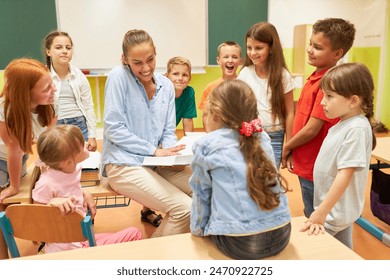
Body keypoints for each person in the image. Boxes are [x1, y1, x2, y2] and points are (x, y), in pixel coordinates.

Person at [102, 29, 192, 237]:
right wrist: (153, 150)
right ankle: (152, 260)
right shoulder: (118, 77)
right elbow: (114, 129)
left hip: (155, 162)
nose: (146, 68)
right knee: (184, 209)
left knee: (205, 189)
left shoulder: (166, 86)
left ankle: (170, 250)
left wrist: (172, 153)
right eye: (137, 63)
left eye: (150, 59)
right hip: (123, 163)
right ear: (124, 60)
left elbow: (168, 130)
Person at [190, 79, 291, 260]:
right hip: (282, 233)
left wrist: (198, 231)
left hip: (241, 243)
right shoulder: (263, 137)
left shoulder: (206, 145)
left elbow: (201, 194)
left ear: (214, 114)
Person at [282, 18, 356, 218]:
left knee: (315, 215)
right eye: (310, 44)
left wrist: (287, 147)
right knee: (311, 210)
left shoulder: (329, 83)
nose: (309, 50)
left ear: (337, 54)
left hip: (315, 167)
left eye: (317, 47)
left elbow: (312, 129)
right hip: (306, 161)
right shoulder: (315, 76)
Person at [31, 125, 141, 253]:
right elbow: (36, 224)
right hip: (70, 249)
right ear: (68, 162)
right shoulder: (46, 183)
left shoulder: (71, 169)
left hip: (81, 238)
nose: (86, 144)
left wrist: (83, 192)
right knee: (135, 234)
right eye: (81, 145)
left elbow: (66, 188)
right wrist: (50, 204)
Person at [300, 63, 376, 249]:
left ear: (353, 101)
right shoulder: (344, 124)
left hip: (333, 212)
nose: (322, 102)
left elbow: (345, 174)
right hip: (335, 210)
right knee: (342, 253)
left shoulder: (356, 128)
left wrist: (321, 212)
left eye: (329, 96)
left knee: (314, 251)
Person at [0, 58, 57, 259]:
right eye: (46, 88)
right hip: (4, 159)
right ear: (26, 93)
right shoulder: (7, 111)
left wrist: (50, 171)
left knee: (37, 189)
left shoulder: (47, 105)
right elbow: (13, 151)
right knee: (3, 205)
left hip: (17, 159)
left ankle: (38, 235)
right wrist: (14, 186)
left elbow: (48, 141)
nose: (54, 90)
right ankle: (3, 258)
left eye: (51, 84)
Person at [237, 22, 295, 170]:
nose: (252, 52)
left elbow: (290, 112)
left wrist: (289, 146)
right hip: (250, 135)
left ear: (271, 48)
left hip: (275, 136)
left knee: (270, 181)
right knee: (250, 178)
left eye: (259, 48)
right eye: (249, 47)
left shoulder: (283, 76)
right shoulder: (245, 73)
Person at [44, 31, 97, 151]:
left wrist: (92, 135)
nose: (64, 51)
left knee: (83, 164)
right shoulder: (42, 75)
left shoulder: (79, 75)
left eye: (68, 47)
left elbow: (88, 105)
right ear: (48, 52)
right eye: (58, 47)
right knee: (57, 164)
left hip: (78, 125)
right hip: (54, 126)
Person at [198, 41, 242, 129]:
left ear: (240, 61)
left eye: (234, 57)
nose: (230, 60)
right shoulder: (210, 88)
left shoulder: (245, 86)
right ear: (218, 60)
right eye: (226, 57)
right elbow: (206, 116)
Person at [165, 56, 197, 134]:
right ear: (167, 76)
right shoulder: (161, 92)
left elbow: (188, 120)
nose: (180, 78)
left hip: (168, 134)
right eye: (175, 74)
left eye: (185, 75)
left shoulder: (189, 92)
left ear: (190, 78)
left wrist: (189, 142)